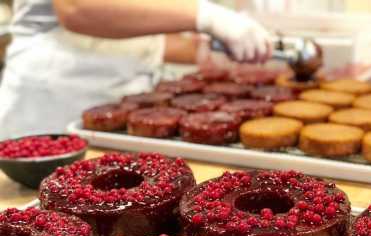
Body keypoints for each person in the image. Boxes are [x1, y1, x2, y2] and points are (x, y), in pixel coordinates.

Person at [0, 0, 272, 139]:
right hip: (54, 101)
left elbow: (130, 24)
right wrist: (207, 16)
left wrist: (214, 50)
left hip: (124, 102)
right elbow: (78, 8)